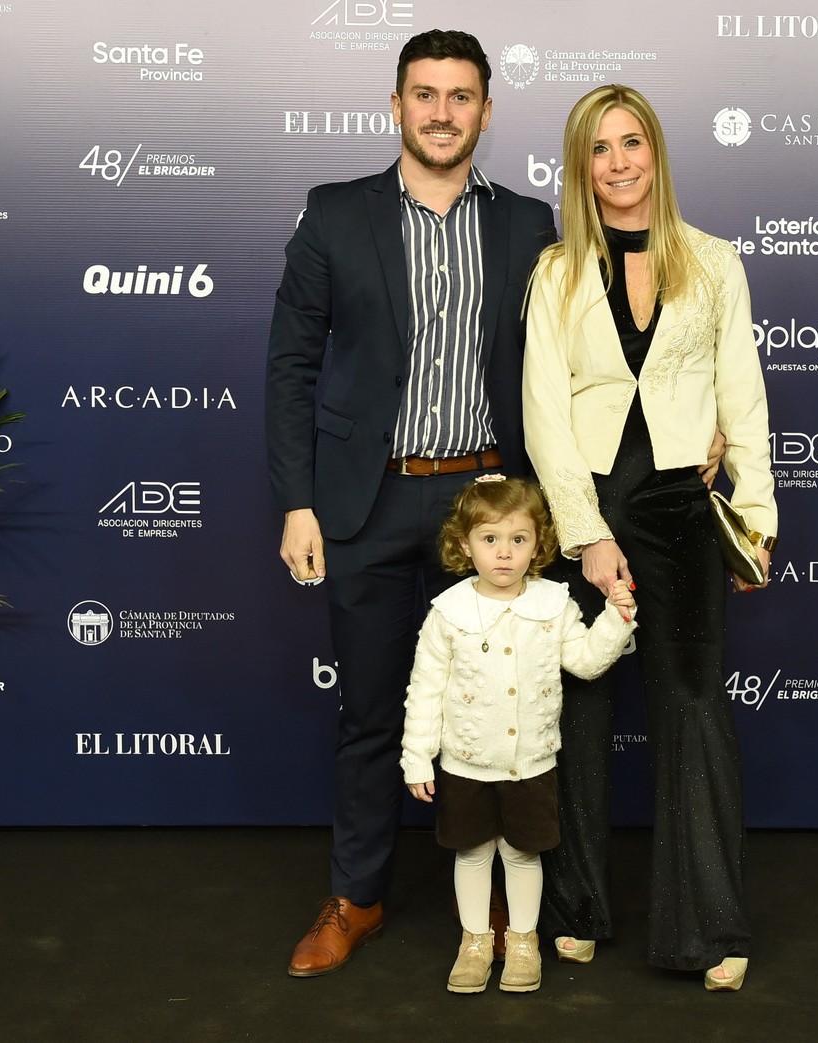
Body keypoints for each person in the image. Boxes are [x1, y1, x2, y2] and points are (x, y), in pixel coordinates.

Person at [266, 29, 557, 978]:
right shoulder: (335, 214)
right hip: (367, 500)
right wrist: (297, 502)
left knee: (517, 712)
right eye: (424, 94)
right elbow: (291, 366)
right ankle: (358, 896)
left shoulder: (527, 225)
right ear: (395, 106)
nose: (441, 111)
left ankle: (518, 908)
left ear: (484, 110)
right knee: (370, 715)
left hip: (489, 507)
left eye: (460, 96)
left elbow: (573, 366)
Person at [521, 84, 777, 992]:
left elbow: (740, 392)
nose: (618, 162)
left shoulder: (714, 260)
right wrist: (585, 536)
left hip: (678, 510)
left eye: (632, 143)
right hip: (586, 508)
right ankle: (579, 908)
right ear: (579, 166)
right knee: (579, 720)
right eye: (599, 148)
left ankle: (706, 924)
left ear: (656, 154)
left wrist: (756, 518)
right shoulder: (554, 272)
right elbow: (545, 416)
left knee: (693, 707)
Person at [400, 475, 637, 993]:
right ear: (465, 545)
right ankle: (475, 941)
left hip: (531, 762)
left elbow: (586, 662)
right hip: (465, 764)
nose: (504, 553)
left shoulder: (554, 604)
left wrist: (617, 619)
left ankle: (524, 941)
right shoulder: (449, 612)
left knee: (523, 853)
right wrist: (417, 758)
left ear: (538, 543)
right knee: (472, 853)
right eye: (490, 540)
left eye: (518, 539)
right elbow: (425, 690)